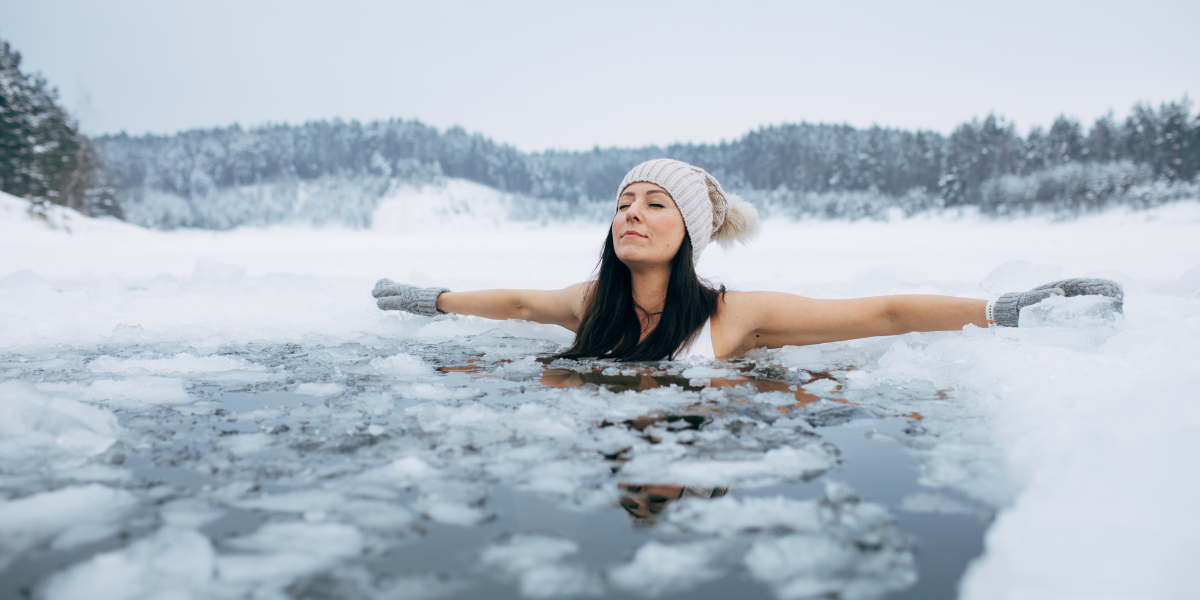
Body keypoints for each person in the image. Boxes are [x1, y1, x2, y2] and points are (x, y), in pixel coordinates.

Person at [372, 159, 1123, 361]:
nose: (631, 213)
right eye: (623, 202)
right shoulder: (589, 302)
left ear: (690, 232)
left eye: (654, 204)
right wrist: (429, 299)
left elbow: (882, 313)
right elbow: (516, 304)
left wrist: (1001, 309)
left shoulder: (736, 316)